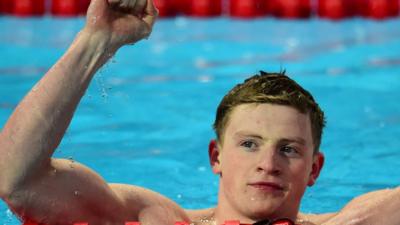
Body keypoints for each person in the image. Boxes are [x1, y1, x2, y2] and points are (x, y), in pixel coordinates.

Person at [0, 0, 399, 224]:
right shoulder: (155, 219)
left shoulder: (355, 223)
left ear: (315, 169)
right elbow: (17, 180)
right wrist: (94, 42)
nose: (268, 164)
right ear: (216, 157)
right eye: (249, 144)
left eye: (289, 150)